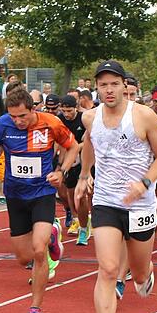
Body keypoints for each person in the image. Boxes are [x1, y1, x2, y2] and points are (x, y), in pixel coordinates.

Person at [75, 60, 157, 313]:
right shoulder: (91, 117)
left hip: (141, 205)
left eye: (114, 84)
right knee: (107, 267)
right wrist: (84, 175)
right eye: (102, 84)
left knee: (139, 275)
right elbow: (89, 143)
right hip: (106, 201)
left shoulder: (142, 116)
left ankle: (144, 272)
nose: (108, 89)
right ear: (97, 88)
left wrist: (145, 182)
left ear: (124, 86)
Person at [0, 88, 79, 313]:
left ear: (32, 109)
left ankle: (35, 309)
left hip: (42, 193)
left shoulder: (50, 123)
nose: (18, 121)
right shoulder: (3, 126)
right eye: (13, 116)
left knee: (38, 250)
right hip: (15, 195)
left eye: (22, 116)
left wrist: (61, 172)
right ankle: (54, 235)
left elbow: (73, 147)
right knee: (24, 258)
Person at [56, 95, 90, 244]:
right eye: (63, 111)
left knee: (81, 195)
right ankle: (76, 218)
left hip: (85, 158)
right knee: (69, 193)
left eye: (69, 111)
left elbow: (89, 141)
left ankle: (84, 228)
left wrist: (75, 148)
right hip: (68, 159)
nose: (66, 114)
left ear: (75, 107)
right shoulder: (59, 120)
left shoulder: (84, 119)